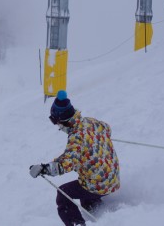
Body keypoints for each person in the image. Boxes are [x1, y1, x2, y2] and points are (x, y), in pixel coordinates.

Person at [29, 90, 120, 226]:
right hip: (113, 178)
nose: (57, 127)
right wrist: (96, 138)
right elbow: (107, 129)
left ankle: (77, 224)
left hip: (99, 185)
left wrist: (43, 169)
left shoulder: (76, 138)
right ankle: (101, 216)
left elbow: (66, 164)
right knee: (85, 192)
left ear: (62, 120)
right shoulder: (91, 122)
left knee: (63, 194)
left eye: (55, 122)